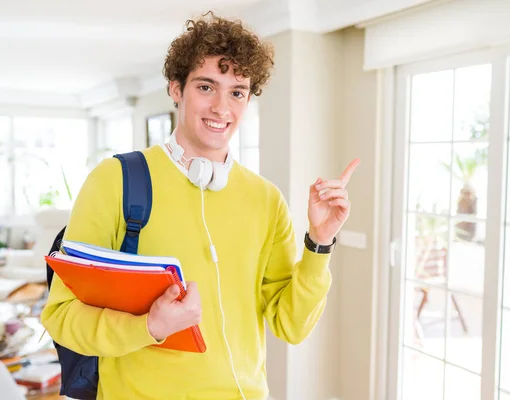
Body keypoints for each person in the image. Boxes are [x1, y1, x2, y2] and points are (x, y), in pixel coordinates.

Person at [41, 11, 359, 400]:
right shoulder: (115, 181)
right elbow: (60, 316)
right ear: (176, 88)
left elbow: (291, 325)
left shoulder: (265, 199)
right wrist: (150, 326)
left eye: (237, 91)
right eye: (206, 87)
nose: (222, 108)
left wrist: (319, 243)